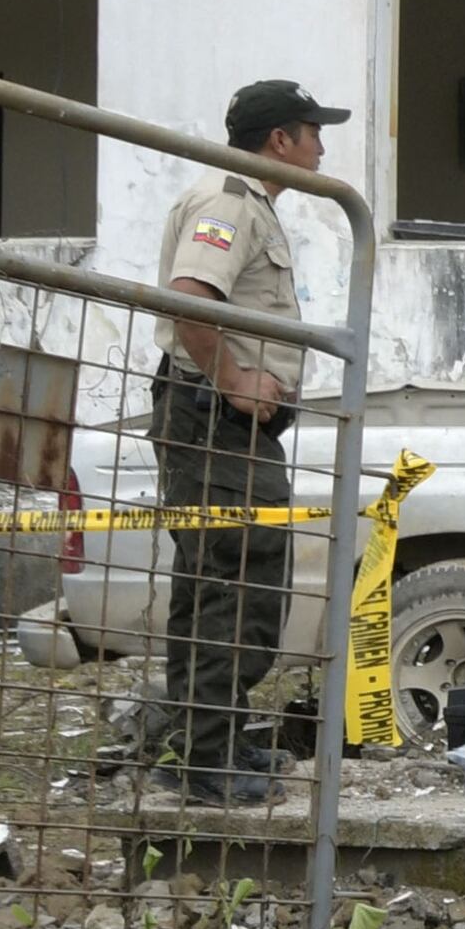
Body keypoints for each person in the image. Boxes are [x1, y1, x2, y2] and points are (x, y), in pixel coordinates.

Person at [144, 81, 337, 806]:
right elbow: (192, 292)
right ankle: (206, 756)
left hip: (219, 421)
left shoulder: (248, 204)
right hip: (211, 417)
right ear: (279, 141)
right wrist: (232, 379)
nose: (322, 147)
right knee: (239, 576)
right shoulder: (230, 202)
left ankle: (208, 737)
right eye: (313, 131)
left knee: (219, 579)